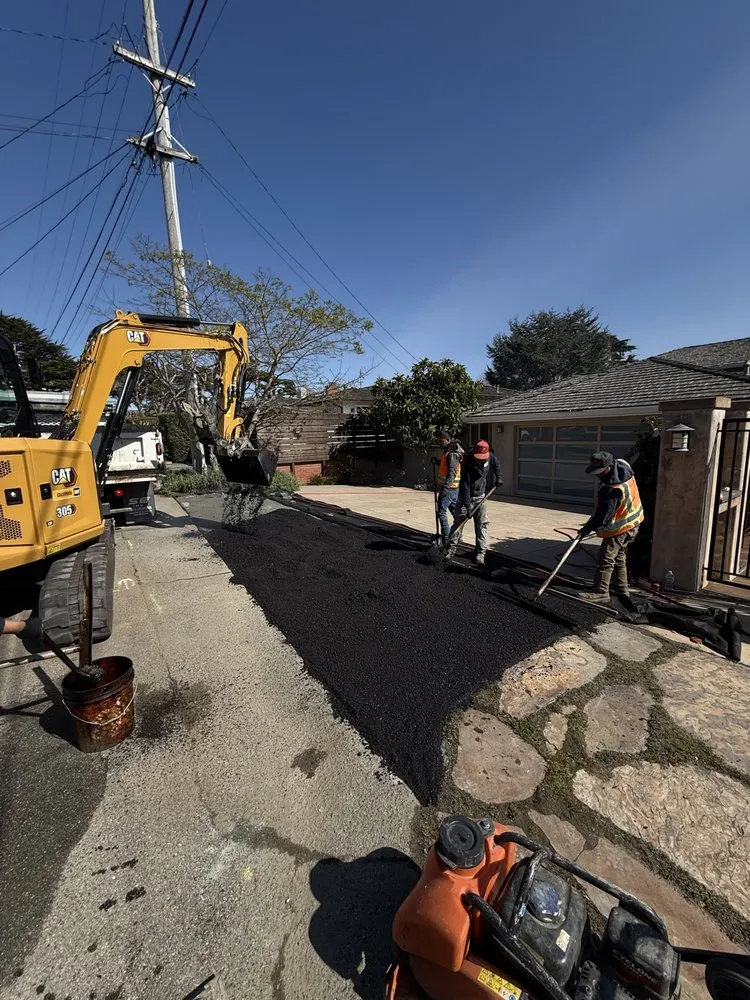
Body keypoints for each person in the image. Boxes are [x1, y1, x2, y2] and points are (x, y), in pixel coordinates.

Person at [578, 450, 644, 603]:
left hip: (620, 528)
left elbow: (602, 517)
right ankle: (621, 588)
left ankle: (601, 591)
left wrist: (587, 528)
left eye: (599, 472)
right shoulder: (622, 466)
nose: (597, 475)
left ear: (609, 466)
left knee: (606, 559)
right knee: (619, 556)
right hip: (633, 522)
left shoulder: (611, 489)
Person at [446, 439, 502, 565]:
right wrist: (467, 505)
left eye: (483, 458)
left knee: (482, 525)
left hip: (481, 497)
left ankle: (480, 553)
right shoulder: (467, 461)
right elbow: (465, 485)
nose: (480, 460)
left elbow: (496, 463)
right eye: (478, 457)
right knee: (458, 523)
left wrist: (499, 477)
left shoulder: (490, 457)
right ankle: (450, 549)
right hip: (466, 496)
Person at [432, 430, 464, 547]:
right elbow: (446, 466)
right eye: (438, 441)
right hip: (452, 487)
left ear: (448, 440)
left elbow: (452, 472)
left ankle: (446, 538)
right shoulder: (448, 452)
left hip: (449, 488)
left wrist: (445, 488)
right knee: (455, 511)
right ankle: (458, 535)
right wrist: (437, 462)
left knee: (441, 511)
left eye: (441, 441)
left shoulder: (452, 453)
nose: (440, 443)